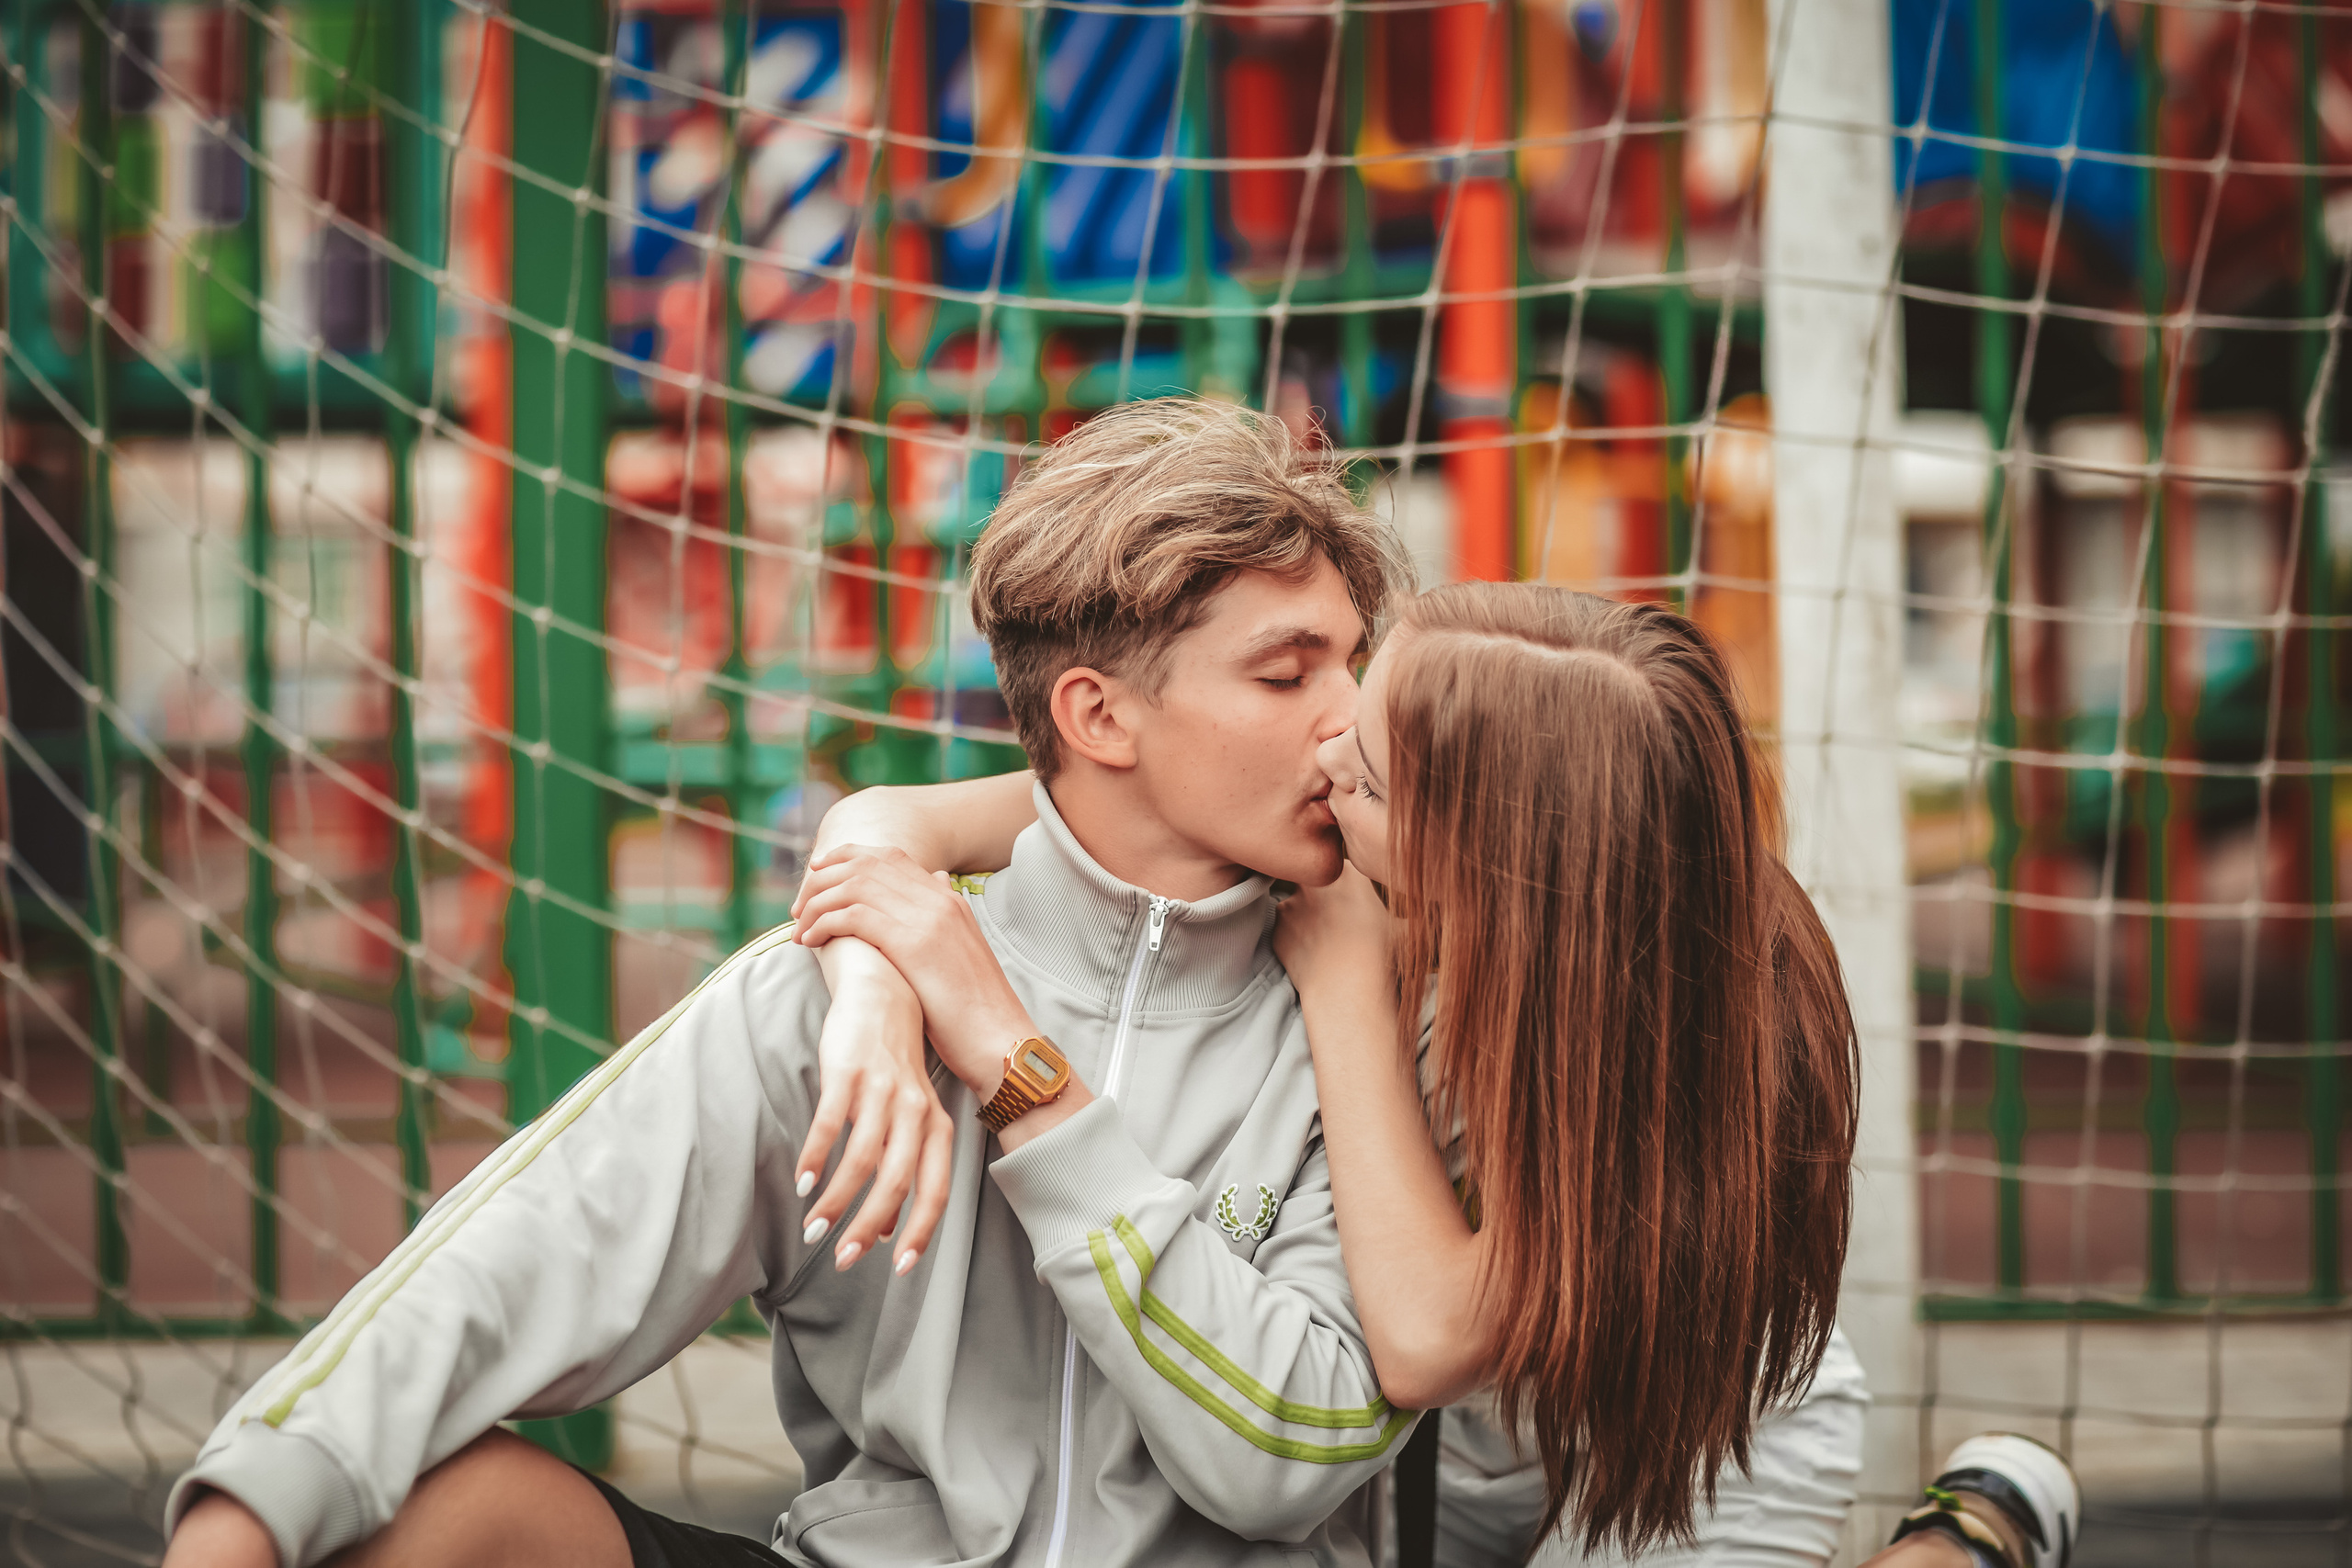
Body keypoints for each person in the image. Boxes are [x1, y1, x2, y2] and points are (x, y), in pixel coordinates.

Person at [159, 398, 1422, 1568]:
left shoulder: (1360, 1019)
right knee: (440, 1511)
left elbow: (1287, 1459)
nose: (1348, 718)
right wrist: (243, 1520)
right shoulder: (836, 999)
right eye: (1285, 672)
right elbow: (503, 1272)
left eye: (1350, 663)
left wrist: (1024, 1080)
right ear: (1098, 717)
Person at [792, 586, 2085, 1568]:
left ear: (1486, 856)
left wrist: (1351, 985)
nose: (1321, 756)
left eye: (1360, 774)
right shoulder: (1402, 839)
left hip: (1683, 1439)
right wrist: (864, 996)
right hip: (1437, 1465)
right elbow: (885, 824)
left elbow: (1428, 1333)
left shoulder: (1695, 1010)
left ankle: (1969, 1537)